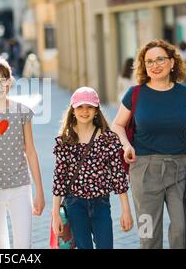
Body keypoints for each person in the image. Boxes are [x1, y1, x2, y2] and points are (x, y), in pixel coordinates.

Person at [111, 39, 186, 249]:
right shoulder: (135, 94)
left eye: (160, 59)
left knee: (183, 228)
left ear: (172, 63)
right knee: (148, 235)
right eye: (149, 62)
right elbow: (118, 125)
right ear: (144, 66)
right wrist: (126, 145)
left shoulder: (185, 94)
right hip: (145, 172)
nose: (154, 65)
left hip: (182, 169)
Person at [0, 56, 45, 249]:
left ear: (10, 81)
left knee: (24, 245)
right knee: (0, 246)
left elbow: (30, 151)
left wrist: (39, 191)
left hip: (20, 188)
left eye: (3, 80)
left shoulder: (22, 111)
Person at [51, 87, 133, 249]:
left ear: (96, 110)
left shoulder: (107, 139)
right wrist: (55, 215)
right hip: (75, 204)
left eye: (89, 107)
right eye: (80, 107)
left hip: (101, 204)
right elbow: (59, 180)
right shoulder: (65, 141)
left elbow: (118, 176)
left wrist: (126, 210)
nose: (85, 111)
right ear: (73, 110)